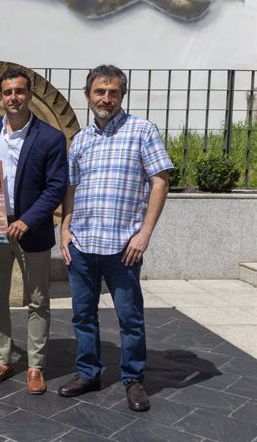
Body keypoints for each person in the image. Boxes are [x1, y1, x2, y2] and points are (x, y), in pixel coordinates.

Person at [58, 65, 173, 412]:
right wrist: (65, 228)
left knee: (130, 317)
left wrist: (145, 234)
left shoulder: (142, 131)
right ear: (88, 95)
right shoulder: (80, 140)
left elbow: (160, 181)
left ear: (122, 95)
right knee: (82, 315)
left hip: (124, 247)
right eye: (99, 91)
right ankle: (88, 372)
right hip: (83, 245)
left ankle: (133, 379)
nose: (106, 98)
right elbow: (71, 188)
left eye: (113, 92)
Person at [0, 68, 67, 394]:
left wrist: (28, 220)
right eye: (8, 92)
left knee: (38, 300)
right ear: (1, 97)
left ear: (30, 94)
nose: (14, 97)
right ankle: (2, 358)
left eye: (20, 91)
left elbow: (55, 188)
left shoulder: (50, 137)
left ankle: (35, 366)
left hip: (32, 230)